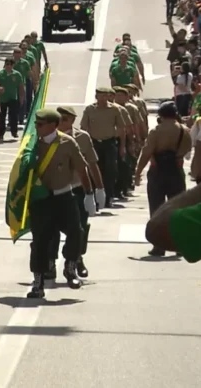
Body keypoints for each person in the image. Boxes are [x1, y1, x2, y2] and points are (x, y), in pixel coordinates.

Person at [26, 109, 96, 299]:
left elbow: (82, 169)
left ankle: (70, 267)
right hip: (41, 200)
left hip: (64, 196)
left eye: (40, 124)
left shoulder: (67, 143)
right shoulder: (31, 144)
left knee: (76, 232)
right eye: (36, 124)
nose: (37, 127)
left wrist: (89, 194)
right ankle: (38, 282)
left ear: (52, 125)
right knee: (40, 240)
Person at [48, 107, 106, 279]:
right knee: (51, 228)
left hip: (77, 188)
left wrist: (99, 189)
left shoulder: (82, 137)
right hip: (54, 189)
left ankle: (75, 259)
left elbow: (92, 164)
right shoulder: (47, 136)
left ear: (73, 120)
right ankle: (50, 262)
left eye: (65, 119)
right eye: (59, 118)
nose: (61, 122)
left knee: (79, 228)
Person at [134, 102, 191, 257]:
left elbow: (146, 153)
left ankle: (159, 246)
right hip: (176, 171)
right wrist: (178, 156)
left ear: (161, 114)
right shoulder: (184, 130)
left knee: (157, 209)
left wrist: (138, 172)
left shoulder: (156, 131)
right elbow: (187, 150)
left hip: (158, 171)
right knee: (178, 209)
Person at [80, 87, 127, 207]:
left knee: (110, 170)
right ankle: (95, 196)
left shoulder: (115, 109)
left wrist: (122, 146)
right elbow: (83, 128)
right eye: (101, 96)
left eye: (106, 96)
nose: (104, 98)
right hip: (94, 143)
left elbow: (122, 128)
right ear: (96, 97)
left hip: (109, 143)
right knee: (94, 170)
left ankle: (108, 197)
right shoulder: (90, 109)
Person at [0, 58, 24, 140]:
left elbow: (20, 87)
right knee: (2, 116)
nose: (8, 66)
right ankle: (1, 133)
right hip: (2, 98)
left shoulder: (17, 74)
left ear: (13, 65)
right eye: (7, 64)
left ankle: (14, 132)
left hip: (13, 97)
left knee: (13, 116)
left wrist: (21, 98)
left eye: (10, 64)